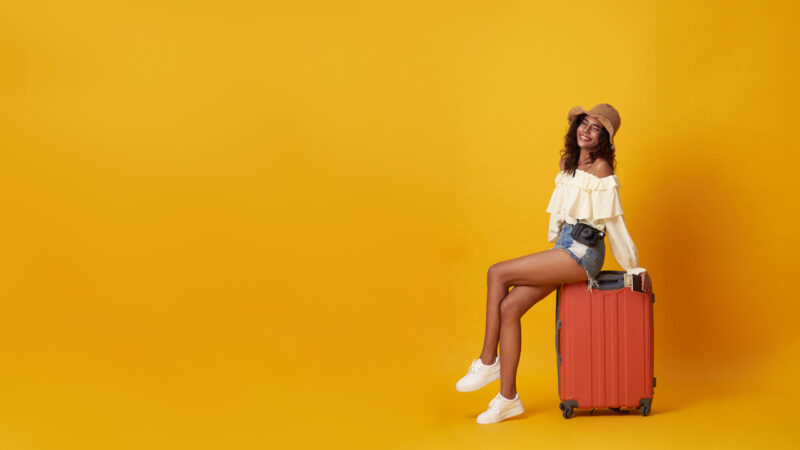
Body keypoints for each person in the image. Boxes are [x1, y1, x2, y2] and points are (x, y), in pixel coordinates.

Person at [455, 103, 651, 424]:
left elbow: (615, 224)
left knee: (497, 272)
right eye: (583, 124)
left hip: (583, 254)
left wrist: (633, 266)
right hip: (563, 250)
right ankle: (508, 399)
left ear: (604, 139)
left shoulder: (602, 169)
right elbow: (561, 217)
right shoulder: (568, 165)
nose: (585, 131)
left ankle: (488, 360)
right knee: (510, 308)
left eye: (595, 128)